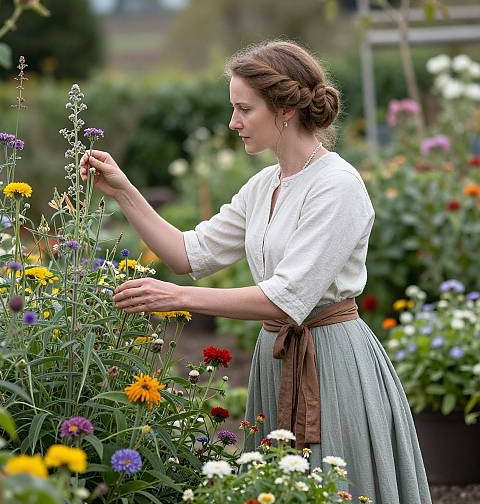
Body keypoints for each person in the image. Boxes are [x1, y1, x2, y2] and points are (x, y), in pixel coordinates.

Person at [80, 40, 432, 503]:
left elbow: (285, 297)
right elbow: (189, 253)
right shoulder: (264, 185)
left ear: (284, 109)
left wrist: (178, 298)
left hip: (330, 363)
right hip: (277, 358)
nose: (234, 122)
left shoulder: (337, 186)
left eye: (244, 109)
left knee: (338, 487)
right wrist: (123, 190)